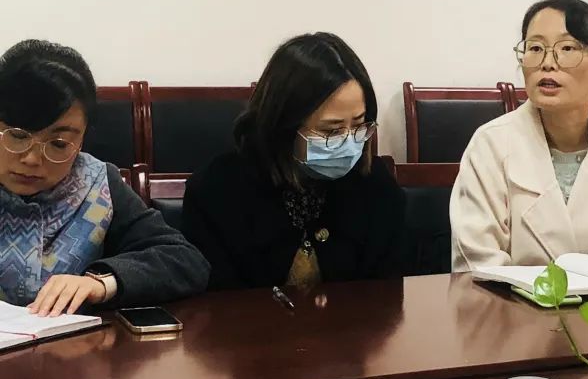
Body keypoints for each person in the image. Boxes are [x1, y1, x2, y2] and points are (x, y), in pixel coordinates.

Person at [450, 0, 588, 272]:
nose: (547, 63)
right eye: (535, 48)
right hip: (508, 301)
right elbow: (477, 265)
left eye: (567, 48)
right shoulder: (490, 145)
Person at [0, 40, 209, 316]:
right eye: (17, 136)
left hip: (74, 342)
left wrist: (101, 283)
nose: (31, 159)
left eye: (59, 144)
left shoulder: (97, 185)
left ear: (83, 138)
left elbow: (186, 261)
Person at [183, 32, 405, 290]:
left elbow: (387, 298)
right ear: (283, 126)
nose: (347, 143)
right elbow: (215, 303)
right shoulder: (216, 190)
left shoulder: (377, 186)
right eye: (330, 131)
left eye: (358, 125)